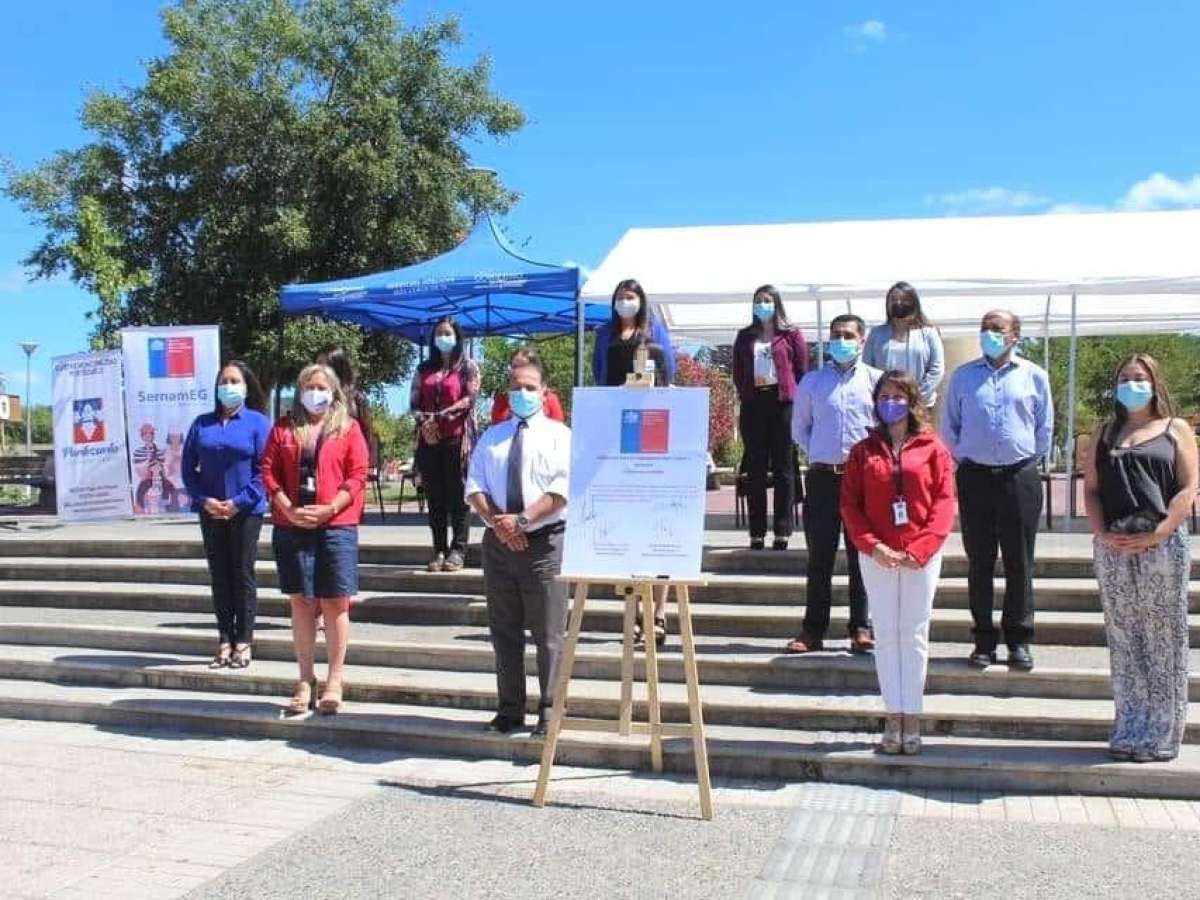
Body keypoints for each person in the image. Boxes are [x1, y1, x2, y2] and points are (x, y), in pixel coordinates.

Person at [1083, 354, 1198, 763]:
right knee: (1125, 637)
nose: (1132, 384)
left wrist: (1162, 530)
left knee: (1162, 637)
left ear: (1154, 383)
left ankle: (1163, 731)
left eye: (1140, 378)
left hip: (1162, 546)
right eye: (1125, 378)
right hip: (1114, 546)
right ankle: (1132, 723)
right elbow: (1093, 490)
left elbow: (1188, 486)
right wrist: (1102, 534)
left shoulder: (1174, 429)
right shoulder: (1104, 433)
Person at [842, 371, 956, 754]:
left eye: (897, 396)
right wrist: (873, 546)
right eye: (883, 396)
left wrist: (921, 548)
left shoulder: (933, 448)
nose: (890, 403)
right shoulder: (863, 451)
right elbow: (851, 506)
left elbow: (943, 503)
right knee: (887, 635)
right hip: (879, 556)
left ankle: (913, 718)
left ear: (912, 401)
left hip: (920, 556)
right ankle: (893, 717)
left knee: (914, 633)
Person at [466, 348, 571, 737]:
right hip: (498, 544)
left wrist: (524, 521)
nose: (521, 392)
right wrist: (502, 525)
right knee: (504, 631)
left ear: (544, 391)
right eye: (515, 386)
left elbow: (561, 489)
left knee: (548, 634)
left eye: (529, 386)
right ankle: (510, 710)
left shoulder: (561, 436)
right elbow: (474, 486)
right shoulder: (491, 437)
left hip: (544, 544)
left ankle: (549, 711)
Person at [941, 310, 1052, 671]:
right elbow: (950, 427)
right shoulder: (963, 377)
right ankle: (983, 642)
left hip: (1019, 477)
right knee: (980, 563)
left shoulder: (1034, 376)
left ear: (1015, 335)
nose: (989, 334)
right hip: (975, 478)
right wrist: (968, 459)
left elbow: (1043, 429)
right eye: (985, 328)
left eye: (997, 329)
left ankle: (1019, 640)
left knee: (1020, 562)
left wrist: (1019, 459)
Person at [262, 364, 369, 716]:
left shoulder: (349, 429)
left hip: (336, 525)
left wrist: (330, 508)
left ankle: (334, 680)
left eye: (322, 386)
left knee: (336, 602)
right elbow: (268, 472)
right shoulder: (283, 428)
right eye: (309, 386)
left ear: (334, 391)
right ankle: (305, 679)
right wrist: (288, 509)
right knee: (302, 602)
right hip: (292, 525)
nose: (315, 392)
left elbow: (356, 476)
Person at [788, 315, 882, 654]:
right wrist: (820, 452)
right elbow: (800, 428)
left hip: (864, 481)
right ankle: (813, 630)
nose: (841, 341)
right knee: (820, 558)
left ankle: (861, 627)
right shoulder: (812, 382)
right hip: (823, 479)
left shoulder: (876, 380)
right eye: (835, 335)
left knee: (863, 558)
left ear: (862, 339)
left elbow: (885, 427)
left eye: (848, 335)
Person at [181, 361, 271, 669]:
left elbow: (265, 470)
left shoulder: (258, 423)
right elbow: (187, 470)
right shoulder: (201, 424)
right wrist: (204, 500)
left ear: (245, 387)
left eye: (234, 381)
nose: (229, 386)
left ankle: (244, 640)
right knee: (219, 575)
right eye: (224, 380)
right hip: (210, 511)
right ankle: (224, 638)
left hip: (245, 511)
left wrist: (238, 502)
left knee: (242, 573)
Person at [732, 285, 809, 550]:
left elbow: (802, 370)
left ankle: (782, 530)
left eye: (766, 300)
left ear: (776, 304)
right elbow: (738, 372)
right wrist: (746, 391)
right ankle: (756, 531)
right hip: (754, 404)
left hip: (783, 404)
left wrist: (797, 400)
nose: (761, 305)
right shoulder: (744, 337)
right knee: (754, 467)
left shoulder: (791, 335)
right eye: (757, 301)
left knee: (784, 467)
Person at [410, 317, 480, 572]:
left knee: (458, 496)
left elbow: (469, 399)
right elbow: (414, 402)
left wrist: (440, 419)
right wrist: (425, 423)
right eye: (438, 333)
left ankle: (458, 550)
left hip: (457, 440)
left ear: (457, 336)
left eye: (447, 333)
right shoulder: (423, 368)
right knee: (435, 497)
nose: (443, 337)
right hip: (428, 440)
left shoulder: (467, 367)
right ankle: (438, 549)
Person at [862, 282, 945, 408]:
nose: (898, 303)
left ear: (914, 302)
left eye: (904, 299)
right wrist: (883, 396)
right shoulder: (876, 334)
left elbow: (937, 369)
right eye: (894, 299)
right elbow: (867, 369)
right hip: (885, 405)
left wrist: (915, 397)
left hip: (921, 405)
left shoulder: (929, 333)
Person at [592, 278, 676, 387]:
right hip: (612, 399)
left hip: (646, 400)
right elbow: (598, 370)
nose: (624, 301)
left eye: (630, 297)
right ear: (614, 303)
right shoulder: (604, 333)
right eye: (620, 298)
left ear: (640, 301)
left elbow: (668, 367)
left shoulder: (655, 329)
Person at [315, 344, 375, 461]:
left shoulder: (356, 398)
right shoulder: (314, 397)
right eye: (317, 364)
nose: (319, 370)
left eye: (324, 365)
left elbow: (366, 436)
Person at [490, 348, 567, 423]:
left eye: (523, 366)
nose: (519, 370)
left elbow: (557, 426)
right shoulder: (501, 399)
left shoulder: (550, 398)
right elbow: (496, 426)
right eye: (515, 366)